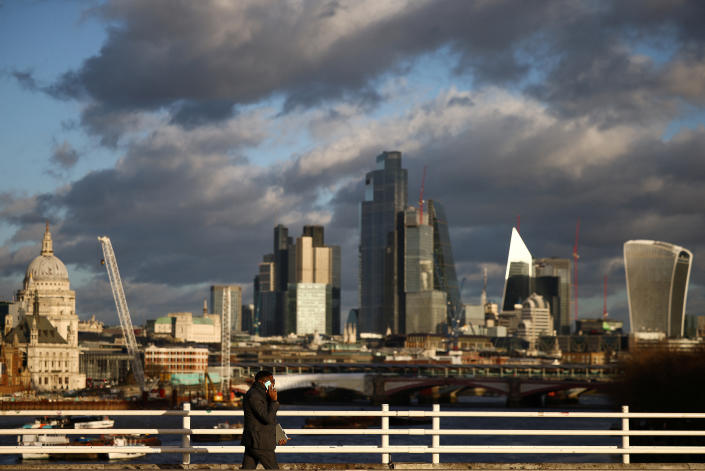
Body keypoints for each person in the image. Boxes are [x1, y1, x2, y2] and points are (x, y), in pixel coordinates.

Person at [241, 370, 282, 469]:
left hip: (255, 441)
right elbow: (267, 418)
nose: (273, 384)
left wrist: (279, 433)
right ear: (262, 382)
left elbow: (270, 418)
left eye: (274, 381)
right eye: (271, 381)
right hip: (260, 442)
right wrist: (274, 401)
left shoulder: (262, 394)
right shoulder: (254, 395)